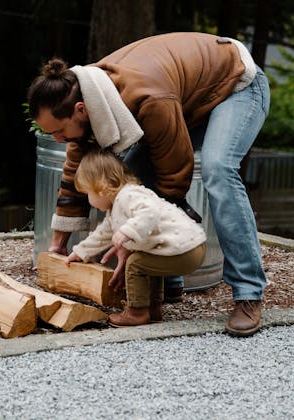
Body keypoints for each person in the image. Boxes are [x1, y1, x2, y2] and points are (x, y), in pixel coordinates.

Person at [26, 32, 270, 337]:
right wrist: (57, 244)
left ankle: (248, 293)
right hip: (187, 98)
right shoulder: (80, 94)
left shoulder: (148, 97)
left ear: (79, 111)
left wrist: (132, 240)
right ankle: (165, 280)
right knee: (126, 180)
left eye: (60, 131)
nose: (58, 140)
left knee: (218, 169)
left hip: (237, 84)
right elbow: (77, 173)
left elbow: (174, 175)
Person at [65, 150, 206, 327]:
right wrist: (80, 252)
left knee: (135, 264)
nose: (88, 200)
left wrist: (127, 231)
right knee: (149, 264)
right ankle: (153, 309)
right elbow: (102, 235)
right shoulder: (115, 207)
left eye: (88, 194)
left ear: (102, 188)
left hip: (186, 249)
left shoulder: (128, 196)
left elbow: (150, 211)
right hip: (188, 248)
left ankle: (137, 312)